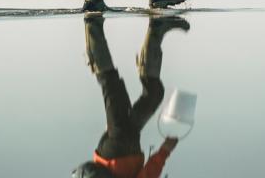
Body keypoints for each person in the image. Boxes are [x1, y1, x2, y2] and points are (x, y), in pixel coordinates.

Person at [72, 15, 189, 178]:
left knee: (111, 85)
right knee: (154, 94)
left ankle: (92, 23)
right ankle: (157, 29)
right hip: (126, 143)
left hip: (117, 150)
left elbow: (147, 175)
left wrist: (165, 150)